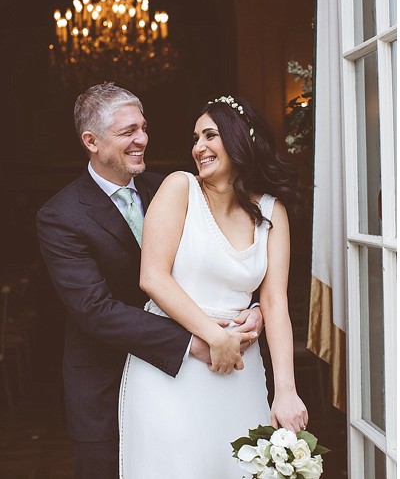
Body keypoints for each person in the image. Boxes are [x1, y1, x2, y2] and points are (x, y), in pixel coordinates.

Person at [36, 83, 262, 479]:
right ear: (91, 140)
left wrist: (253, 308)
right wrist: (194, 340)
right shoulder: (60, 216)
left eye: (143, 127)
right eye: (127, 132)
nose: (142, 139)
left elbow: (224, 253)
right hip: (106, 380)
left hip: (189, 382)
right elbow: (95, 310)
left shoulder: (178, 187)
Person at [118, 94, 308, 478]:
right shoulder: (179, 188)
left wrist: (286, 390)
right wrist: (213, 336)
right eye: (195, 139)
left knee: (240, 468)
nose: (198, 148)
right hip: (170, 369)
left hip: (242, 371)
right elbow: (152, 277)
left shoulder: (271, 211)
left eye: (210, 136)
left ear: (240, 139)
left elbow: (275, 303)